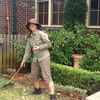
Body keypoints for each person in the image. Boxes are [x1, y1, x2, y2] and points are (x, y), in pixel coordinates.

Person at [20, 18, 57, 100]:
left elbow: (49, 44)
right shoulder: (30, 37)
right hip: (36, 58)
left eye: (33, 24)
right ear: (29, 27)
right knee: (34, 75)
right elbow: (27, 50)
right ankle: (37, 90)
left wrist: (39, 48)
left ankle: (53, 95)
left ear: (36, 26)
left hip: (44, 57)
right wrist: (23, 61)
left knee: (46, 76)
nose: (32, 26)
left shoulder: (41, 34)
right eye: (30, 25)